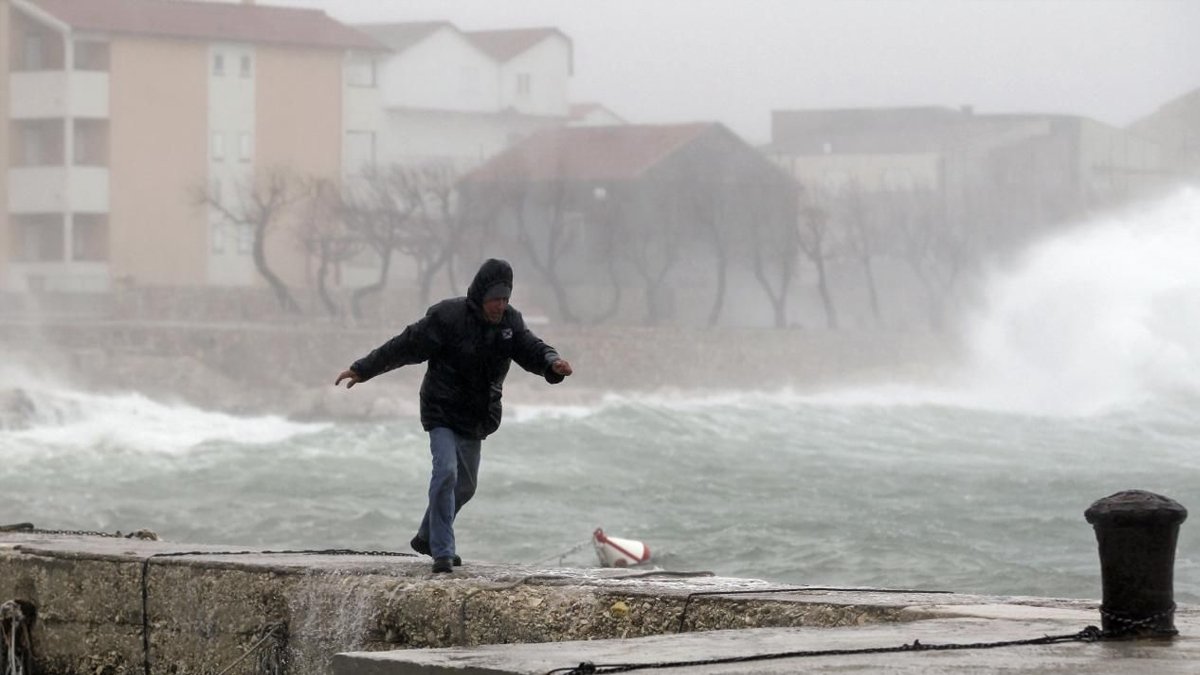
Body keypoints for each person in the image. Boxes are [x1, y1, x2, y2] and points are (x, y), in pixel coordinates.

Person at [335, 258, 573, 573]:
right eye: (494, 299)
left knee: (466, 486)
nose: (499, 306)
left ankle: (426, 535)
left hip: (476, 415)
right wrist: (364, 368)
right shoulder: (448, 318)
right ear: (479, 296)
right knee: (446, 472)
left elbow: (530, 347)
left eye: (504, 299)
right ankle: (443, 552)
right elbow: (405, 345)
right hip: (442, 410)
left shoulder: (509, 324)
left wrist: (551, 362)